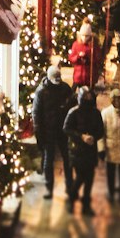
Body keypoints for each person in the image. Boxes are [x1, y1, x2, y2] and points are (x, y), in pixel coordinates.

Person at [32, 65, 74, 200]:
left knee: (67, 158)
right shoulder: (41, 92)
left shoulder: (65, 88)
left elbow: (71, 106)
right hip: (48, 130)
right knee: (48, 160)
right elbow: (36, 113)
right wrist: (39, 131)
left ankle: (69, 186)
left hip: (63, 129)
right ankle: (49, 188)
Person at [63, 87, 105, 215]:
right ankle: (72, 197)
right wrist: (81, 136)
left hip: (90, 149)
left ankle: (86, 203)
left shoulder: (96, 113)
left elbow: (100, 130)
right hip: (77, 150)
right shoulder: (73, 112)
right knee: (81, 176)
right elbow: (66, 128)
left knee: (90, 177)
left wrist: (94, 137)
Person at [69, 20, 102, 89]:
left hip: (89, 77)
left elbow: (98, 59)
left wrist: (89, 58)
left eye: (86, 36)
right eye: (83, 35)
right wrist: (78, 57)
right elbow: (71, 58)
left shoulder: (94, 45)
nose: (84, 38)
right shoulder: (76, 44)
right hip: (78, 76)